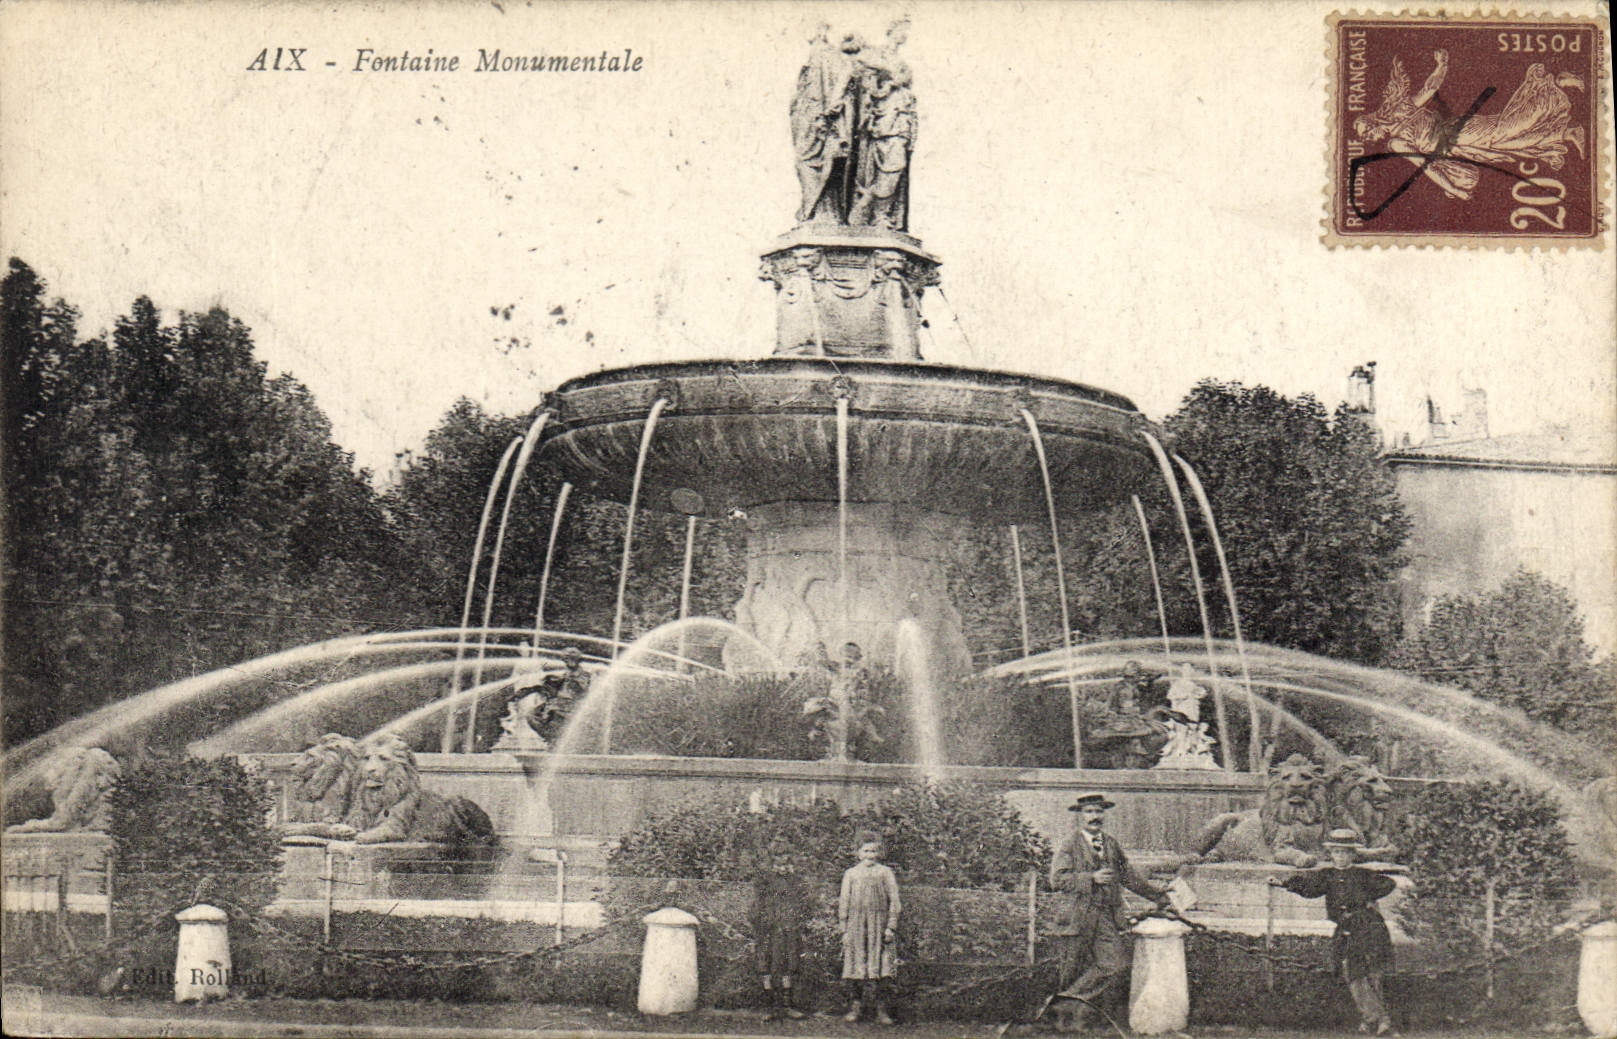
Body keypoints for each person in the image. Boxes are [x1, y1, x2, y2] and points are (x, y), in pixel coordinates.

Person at [1353, 49, 1587, 201]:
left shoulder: (1398, 134)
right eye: (1366, 138)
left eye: (1367, 133)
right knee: (1507, 143)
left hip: (1457, 133)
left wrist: (1442, 66)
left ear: (1373, 122)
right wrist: (1453, 187)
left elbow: (1429, 91)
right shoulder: (1397, 134)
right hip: (1458, 145)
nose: (1369, 139)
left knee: (1504, 131)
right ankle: (1566, 133)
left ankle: (1554, 84)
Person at [1048, 792, 1171, 1031]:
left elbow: (1129, 877)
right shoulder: (1069, 844)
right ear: (1080, 816)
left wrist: (1158, 896)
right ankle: (1068, 1022)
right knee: (1071, 970)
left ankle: (1063, 1003)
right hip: (1077, 916)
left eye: (1098, 811)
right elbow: (1057, 880)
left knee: (1115, 964)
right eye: (1089, 812)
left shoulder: (1111, 844)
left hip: (1105, 916)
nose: (1095, 816)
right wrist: (1090, 878)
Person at [1269, 828, 1399, 1036]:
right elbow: (1309, 888)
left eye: (1345, 852)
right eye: (1336, 852)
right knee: (1351, 971)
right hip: (1346, 928)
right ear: (1331, 854)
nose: (1340, 857)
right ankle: (1376, 1018)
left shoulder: (1362, 874)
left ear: (1352, 854)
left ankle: (1376, 1020)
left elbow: (1388, 884)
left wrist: (1367, 898)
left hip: (1369, 926)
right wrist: (1283, 883)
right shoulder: (1327, 875)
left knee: (1372, 972)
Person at [849, 19, 916, 230]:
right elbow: (863, 70)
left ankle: (881, 213)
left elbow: (903, 81)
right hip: (883, 120)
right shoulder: (877, 54)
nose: (904, 35)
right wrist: (887, 75)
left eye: (906, 31)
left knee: (897, 166)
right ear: (891, 30)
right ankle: (876, 213)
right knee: (884, 165)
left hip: (900, 119)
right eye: (901, 30)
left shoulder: (903, 64)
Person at [839, 829, 902, 1025]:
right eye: (866, 851)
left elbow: (894, 901)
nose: (870, 855)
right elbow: (844, 901)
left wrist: (890, 927)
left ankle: (881, 1010)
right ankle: (856, 1007)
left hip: (879, 926)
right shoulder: (851, 874)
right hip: (856, 926)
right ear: (858, 852)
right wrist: (844, 929)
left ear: (879, 852)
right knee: (855, 965)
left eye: (873, 851)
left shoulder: (885, 872)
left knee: (882, 968)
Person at [751, 840, 813, 1021]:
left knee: (788, 966)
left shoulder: (795, 883)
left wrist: (798, 924)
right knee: (766, 966)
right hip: (768, 931)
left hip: (788, 929)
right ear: (771, 864)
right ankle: (770, 1007)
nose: (783, 868)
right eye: (778, 864)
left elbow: (803, 906)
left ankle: (787, 1006)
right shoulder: (764, 882)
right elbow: (757, 907)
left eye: (786, 864)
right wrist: (761, 924)